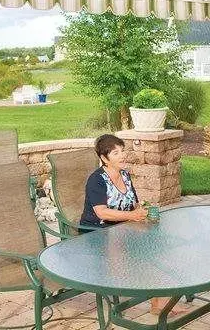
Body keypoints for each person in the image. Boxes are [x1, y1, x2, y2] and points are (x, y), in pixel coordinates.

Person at [79, 134, 186, 315]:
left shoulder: (125, 175)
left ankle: (159, 299)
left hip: (122, 227)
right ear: (104, 158)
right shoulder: (96, 180)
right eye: (115, 153)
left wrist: (142, 212)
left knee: (158, 242)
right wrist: (132, 216)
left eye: (122, 151)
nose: (122, 156)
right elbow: (101, 212)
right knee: (143, 252)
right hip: (97, 232)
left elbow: (133, 204)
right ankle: (157, 299)